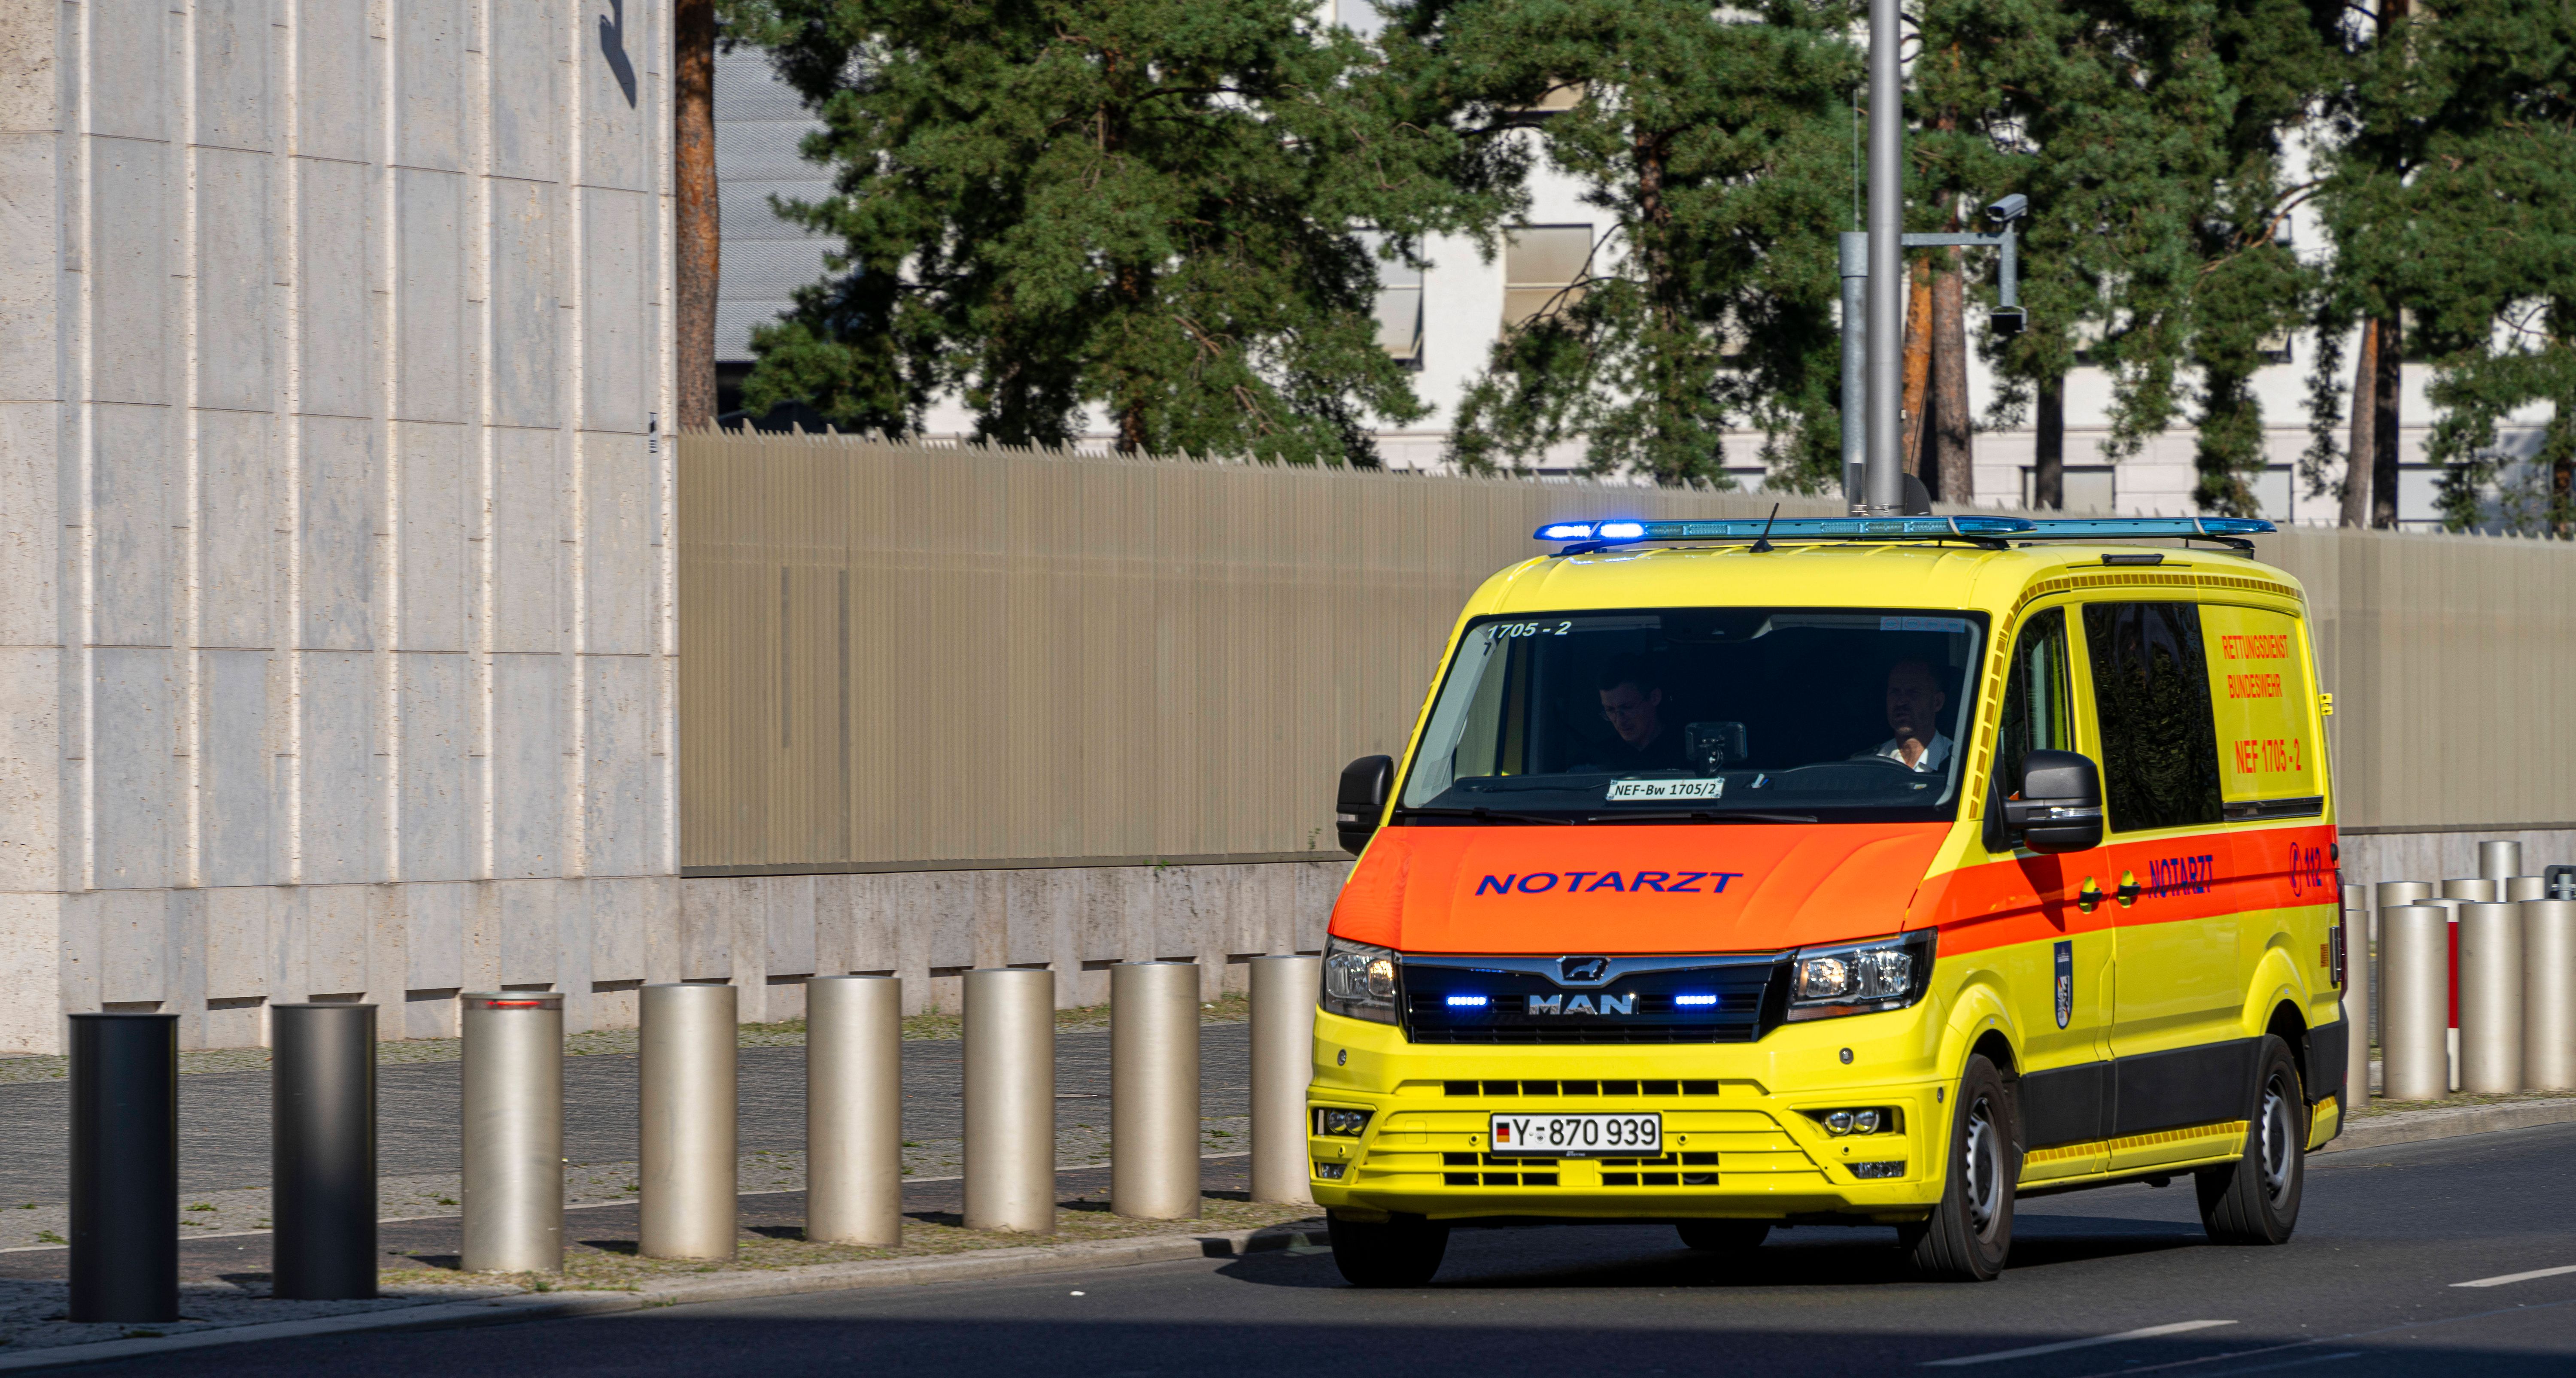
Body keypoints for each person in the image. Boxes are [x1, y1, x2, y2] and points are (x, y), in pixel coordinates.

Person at [1595, 658, 1685, 771]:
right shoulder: (1599, 760)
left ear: (1654, 698)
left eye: (1627, 708)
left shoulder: (1688, 753)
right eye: (1610, 710)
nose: (1620, 721)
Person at [1870, 659, 1953, 772]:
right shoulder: (1869, 766)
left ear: (1937, 702)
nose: (1901, 702)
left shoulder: (1963, 763)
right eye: (1895, 692)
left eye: (1913, 693)